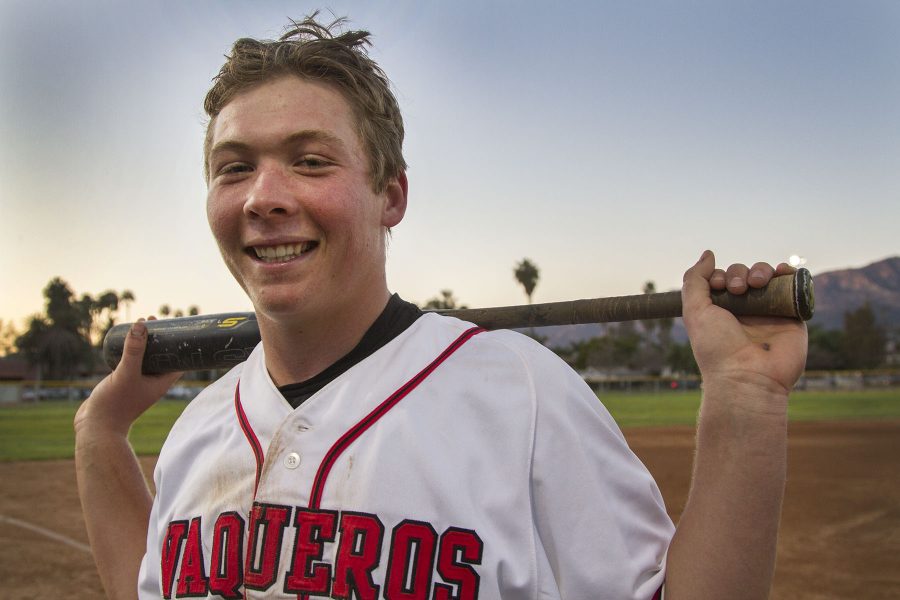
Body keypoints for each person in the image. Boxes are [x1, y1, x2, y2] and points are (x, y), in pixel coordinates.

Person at [75, 13, 807, 600]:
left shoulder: (519, 393)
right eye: (234, 168)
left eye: (310, 160)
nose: (264, 197)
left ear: (390, 195)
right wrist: (99, 432)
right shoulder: (198, 432)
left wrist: (744, 400)